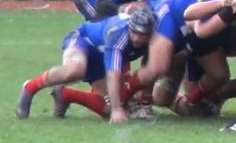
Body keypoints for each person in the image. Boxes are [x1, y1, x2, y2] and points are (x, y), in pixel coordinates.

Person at [16, 8, 155, 122]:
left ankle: (65, 94)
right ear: (129, 27)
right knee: (74, 71)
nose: (137, 37)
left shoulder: (155, 37)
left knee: (110, 108)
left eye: (142, 34)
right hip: (83, 40)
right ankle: (30, 87)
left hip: (101, 58)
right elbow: (113, 73)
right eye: (134, 32)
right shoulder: (118, 36)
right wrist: (116, 108)